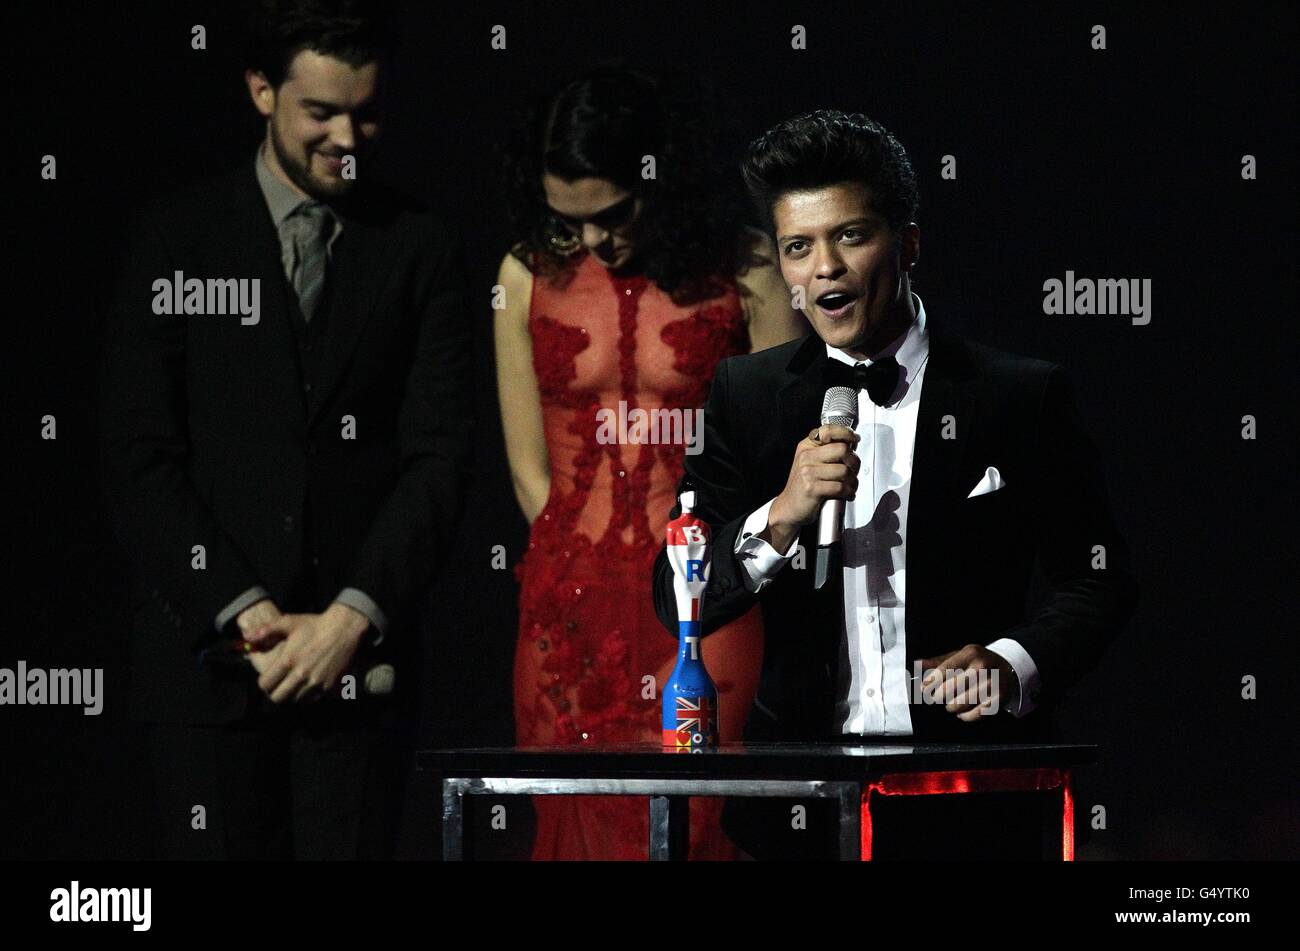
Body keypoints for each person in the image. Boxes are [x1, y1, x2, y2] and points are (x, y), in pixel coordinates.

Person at [651, 110, 1139, 859]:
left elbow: (1101, 580)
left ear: (906, 244)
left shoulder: (1017, 395)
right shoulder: (745, 397)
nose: (825, 269)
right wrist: (778, 518)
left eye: (850, 236)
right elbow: (673, 591)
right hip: (799, 809)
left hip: (972, 800)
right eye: (798, 247)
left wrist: (1011, 665)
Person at [99, 0, 473, 859]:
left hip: (360, 680)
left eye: (368, 111)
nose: (348, 136)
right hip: (204, 677)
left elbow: (440, 458)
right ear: (261, 91)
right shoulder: (174, 235)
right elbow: (137, 452)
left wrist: (348, 620)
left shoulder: (420, 244)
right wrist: (245, 611)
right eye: (321, 112)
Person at [495, 66, 808, 859]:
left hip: (709, 600)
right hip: (566, 607)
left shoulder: (748, 272)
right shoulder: (525, 275)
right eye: (572, 217)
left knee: (697, 824)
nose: (595, 239)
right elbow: (530, 469)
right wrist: (567, 568)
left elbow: (785, 461)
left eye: (614, 212)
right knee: (572, 830)